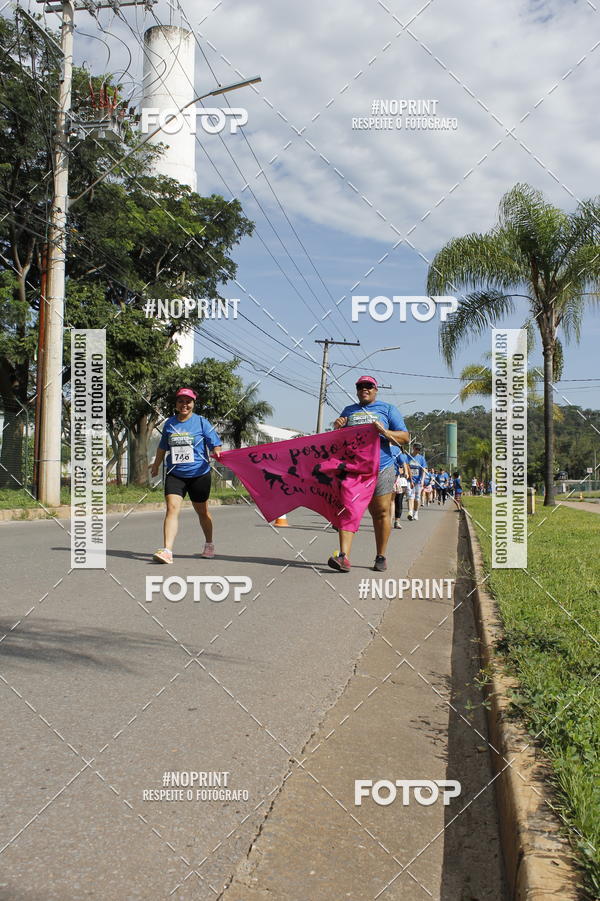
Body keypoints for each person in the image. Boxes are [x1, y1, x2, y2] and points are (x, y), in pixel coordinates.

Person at [328, 376, 409, 573]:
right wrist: (337, 427)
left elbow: (405, 437)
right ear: (357, 390)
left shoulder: (387, 409)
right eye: (360, 386)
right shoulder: (349, 411)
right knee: (347, 509)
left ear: (375, 389)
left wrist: (385, 431)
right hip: (354, 469)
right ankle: (343, 557)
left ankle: (381, 556)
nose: (364, 389)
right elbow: (338, 440)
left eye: (369, 386)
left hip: (382, 467)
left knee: (380, 512)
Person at [149, 388, 222, 564]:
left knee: (202, 512)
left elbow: (215, 444)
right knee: (172, 509)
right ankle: (167, 550)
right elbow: (162, 447)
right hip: (175, 474)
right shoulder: (170, 424)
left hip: (199, 474)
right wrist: (157, 465)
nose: (184, 405)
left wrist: (217, 452)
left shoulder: (202, 422)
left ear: (193, 404)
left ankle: (209, 544)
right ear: (176, 404)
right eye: (181, 401)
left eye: (188, 401)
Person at [391, 444, 411, 529]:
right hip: (388, 478)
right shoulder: (382, 449)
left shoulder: (402, 455)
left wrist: (406, 472)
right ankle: (389, 521)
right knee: (390, 501)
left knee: (398, 501)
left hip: (400, 480)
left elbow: (406, 466)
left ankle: (397, 521)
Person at [406, 442, 427, 521]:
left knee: (417, 498)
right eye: (416, 449)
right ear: (413, 448)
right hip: (409, 480)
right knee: (410, 496)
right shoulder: (408, 457)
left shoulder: (421, 458)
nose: (417, 450)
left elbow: (424, 470)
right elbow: (405, 466)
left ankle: (416, 512)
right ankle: (410, 512)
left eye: (419, 449)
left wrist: (422, 480)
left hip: (418, 481)